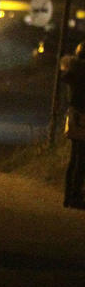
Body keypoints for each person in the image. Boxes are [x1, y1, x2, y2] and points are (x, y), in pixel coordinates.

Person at [60, 42, 85, 209]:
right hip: (83, 115)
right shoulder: (81, 71)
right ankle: (75, 195)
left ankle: (70, 195)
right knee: (81, 159)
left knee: (75, 157)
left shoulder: (72, 69)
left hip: (75, 115)